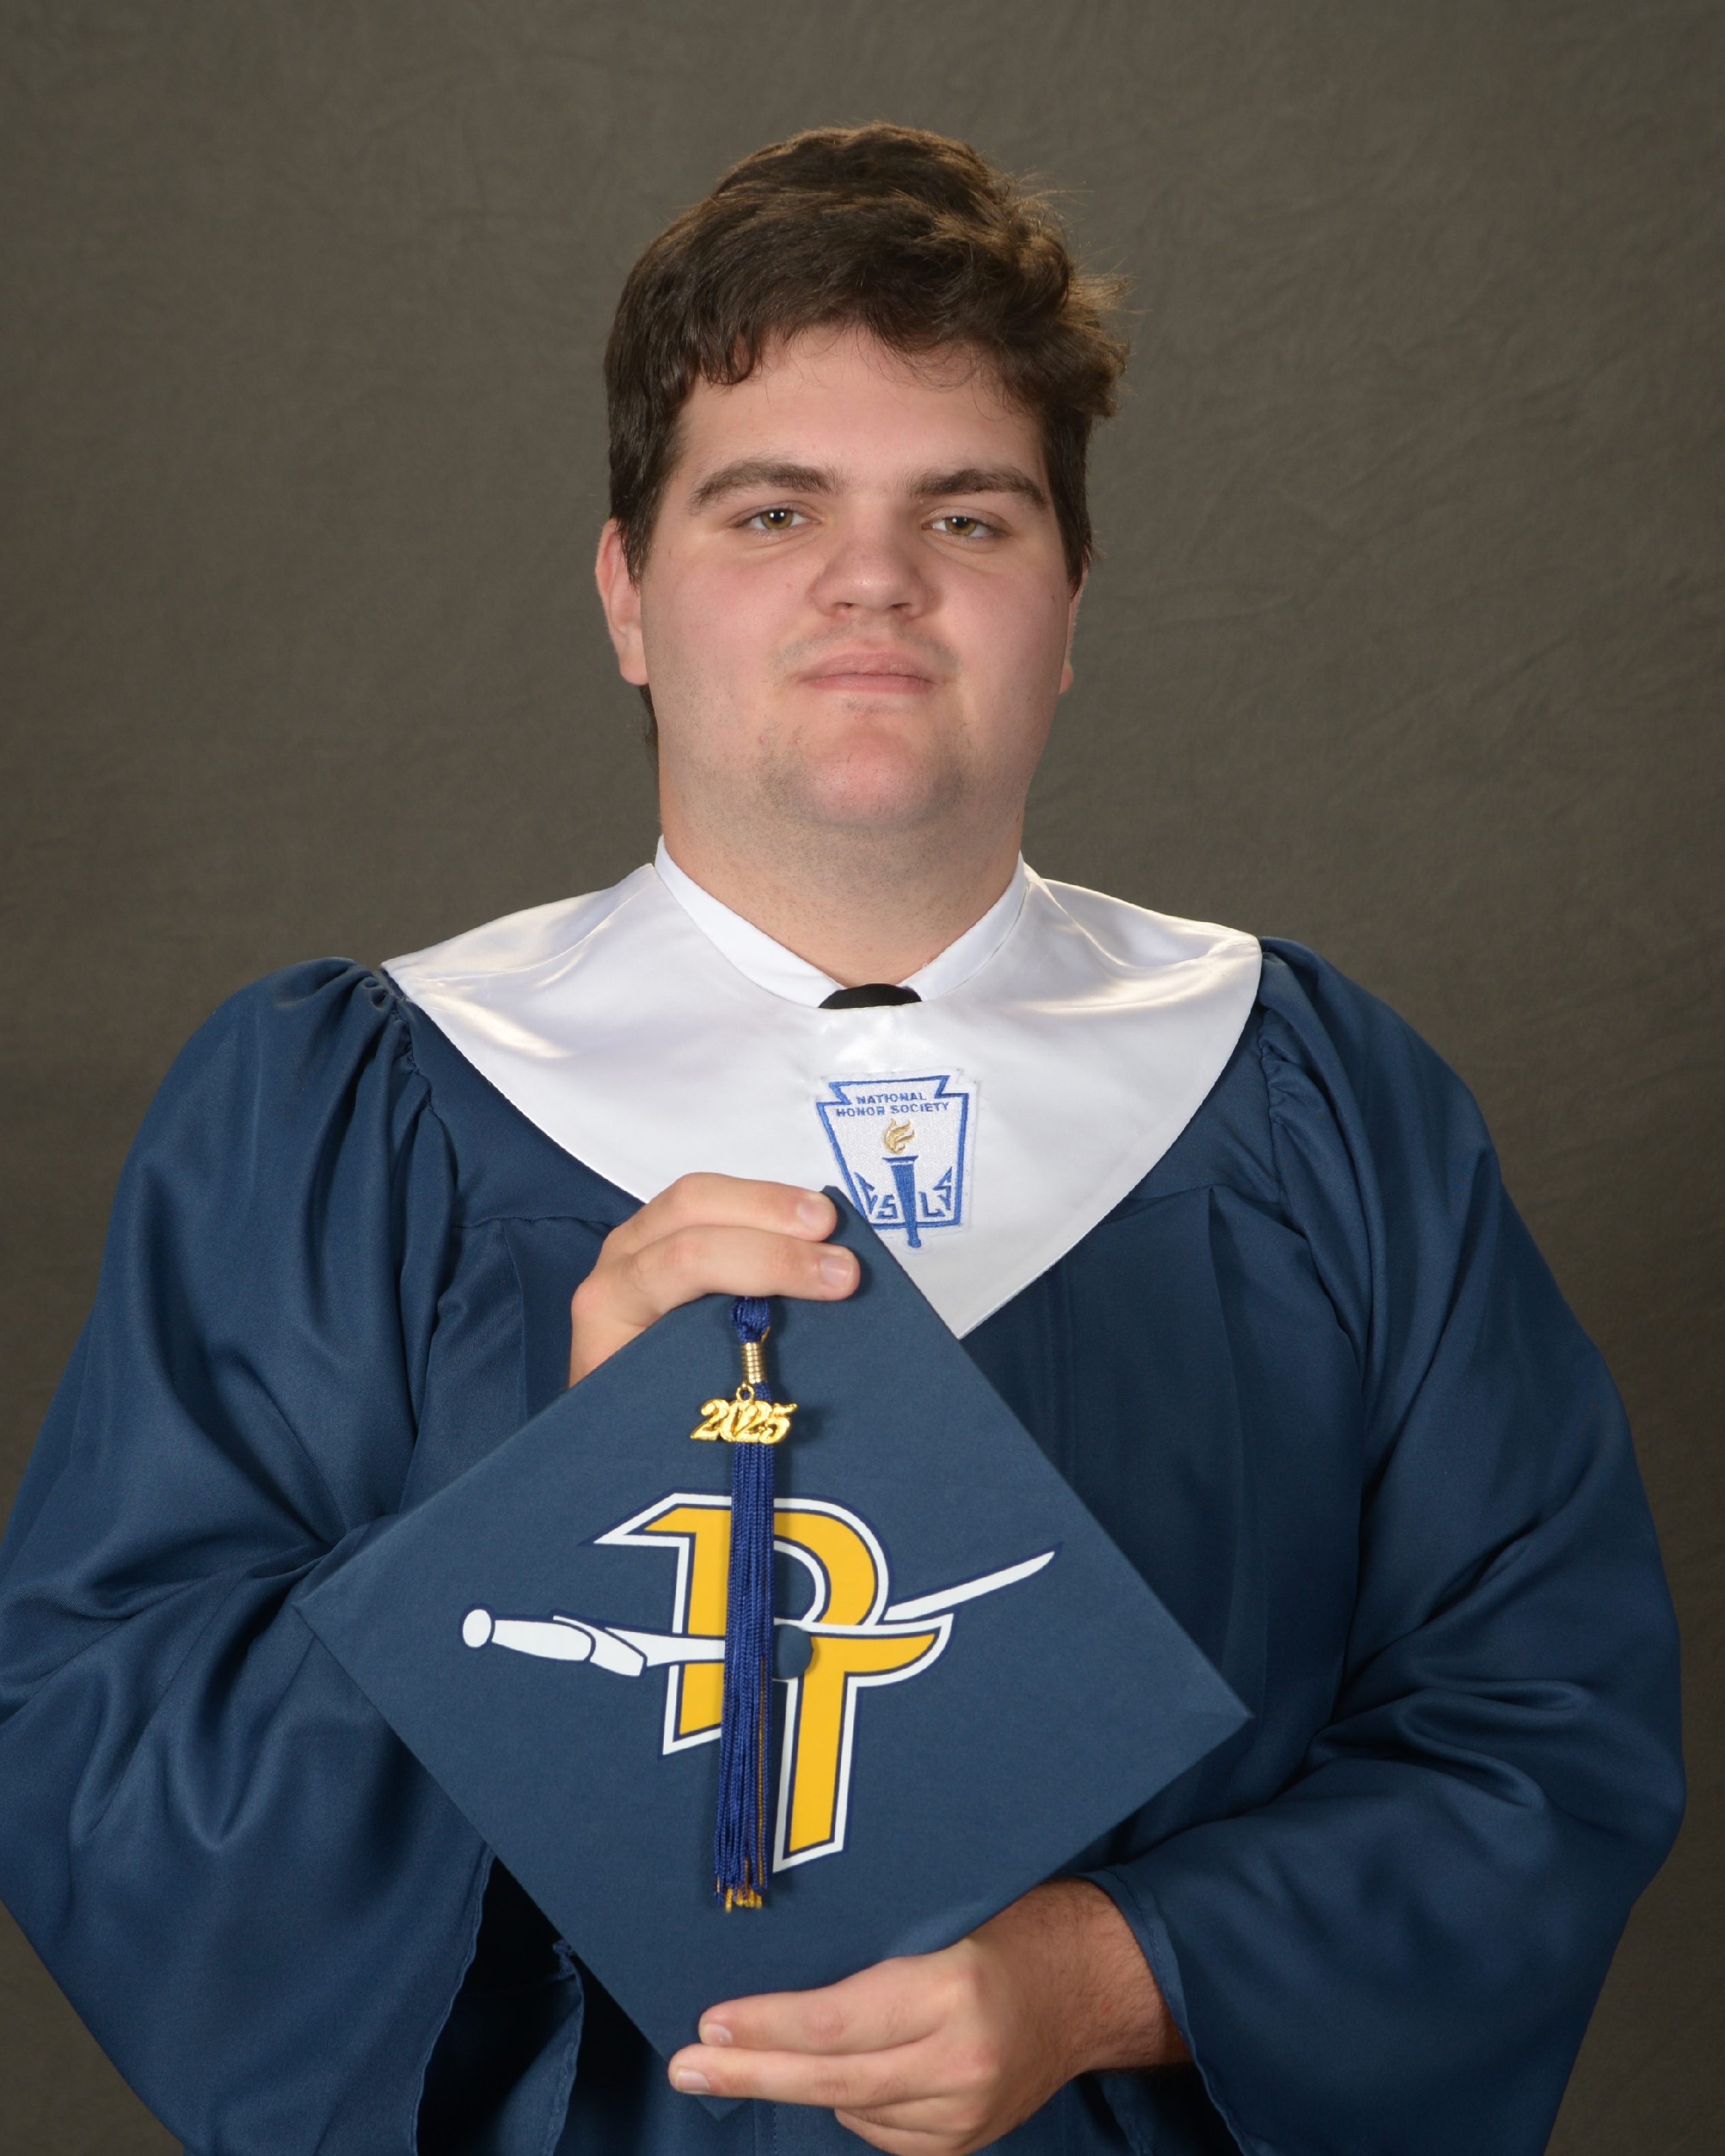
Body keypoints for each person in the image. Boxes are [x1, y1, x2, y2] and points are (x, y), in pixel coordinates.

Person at [0, 125, 1682, 2156]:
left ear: (1069, 602)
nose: (872, 576)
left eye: (966, 514)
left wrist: (1106, 1971)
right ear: (628, 596)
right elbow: (108, 1769)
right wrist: (549, 1504)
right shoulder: (351, 1110)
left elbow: (1541, 1731)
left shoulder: (1315, 1107)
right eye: (771, 507)